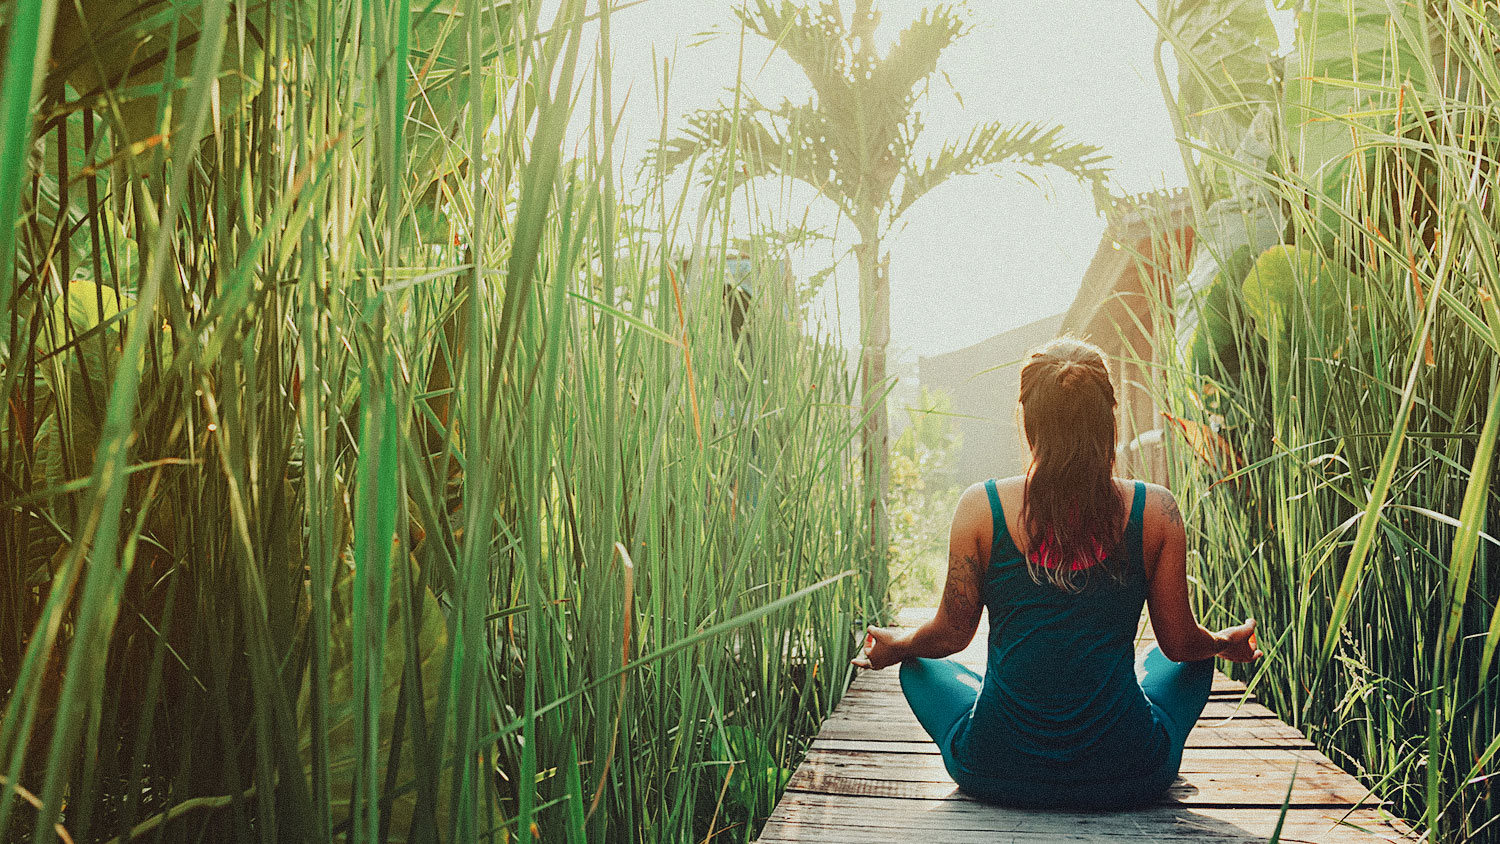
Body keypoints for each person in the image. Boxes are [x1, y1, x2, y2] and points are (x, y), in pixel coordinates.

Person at [851, 336, 1263, 809]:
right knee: (1185, 661)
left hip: (993, 769)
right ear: (1109, 419)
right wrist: (1220, 643)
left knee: (918, 666)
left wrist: (896, 647)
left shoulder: (980, 508)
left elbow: (950, 636)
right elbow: (1179, 644)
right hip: (1130, 772)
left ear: (1029, 422)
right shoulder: (1156, 510)